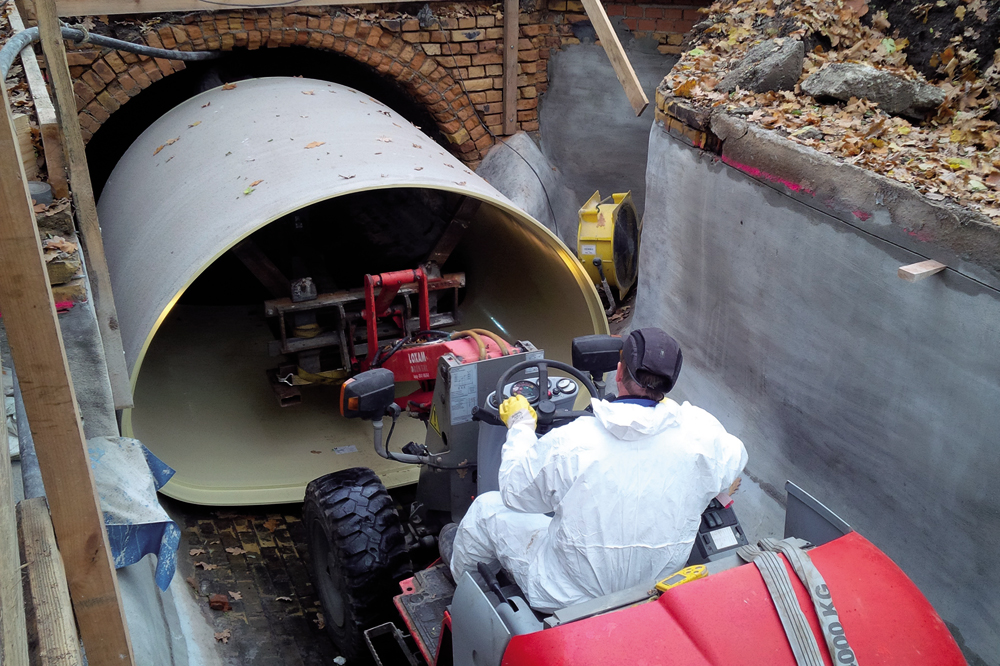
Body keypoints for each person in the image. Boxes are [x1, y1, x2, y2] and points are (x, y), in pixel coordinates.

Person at [446, 327, 748, 613]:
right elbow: (736, 457)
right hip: (652, 586)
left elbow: (515, 492)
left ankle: (463, 598)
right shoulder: (702, 436)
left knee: (486, 509)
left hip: (566, 595)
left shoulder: (572, 441)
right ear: (670, 384)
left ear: (618, 372)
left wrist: (521, 425)